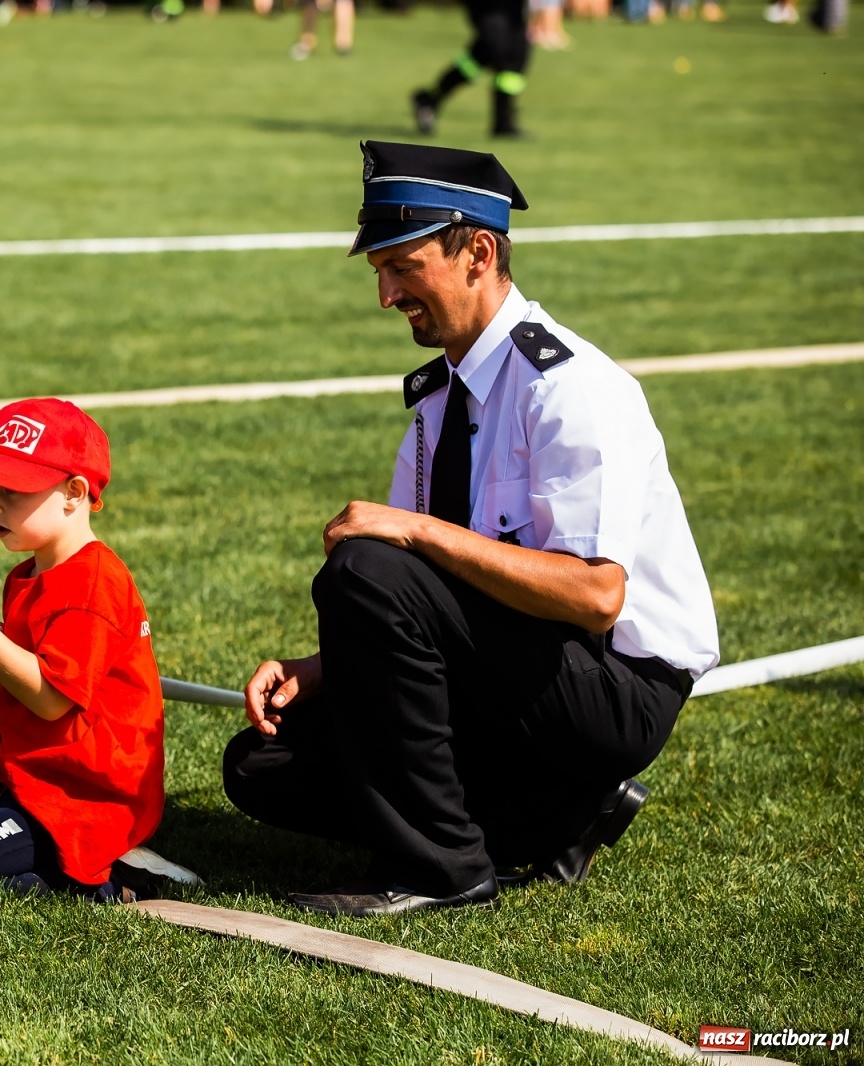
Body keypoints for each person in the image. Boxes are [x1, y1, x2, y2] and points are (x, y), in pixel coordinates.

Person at [222, 141, 719, 917]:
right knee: (262, 763)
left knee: (366, 566)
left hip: (611, 684)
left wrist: (417, 532)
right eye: (378, 272)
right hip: (521, 672)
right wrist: (315, 670)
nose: (385, 294)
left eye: (402, 266)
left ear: (478, 252)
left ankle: (444, 870)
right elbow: (430, 610)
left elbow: (595, 598)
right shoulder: (437, 398)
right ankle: (558, 812)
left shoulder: (569, 388)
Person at [0, 398, 165, 902]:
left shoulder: (92, 585)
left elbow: (50, 701)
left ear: (74, 493)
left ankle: (105, 880)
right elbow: (17, 694)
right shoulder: (27, 574)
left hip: (88, 789)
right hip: (45, 759)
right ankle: (27, 832)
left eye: (12, 490)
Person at [410, 0, 529, 138]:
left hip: (514, 7)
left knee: (513, 55)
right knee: (496, 48)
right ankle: (430, 98)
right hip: (487, 5)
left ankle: (503, 123)